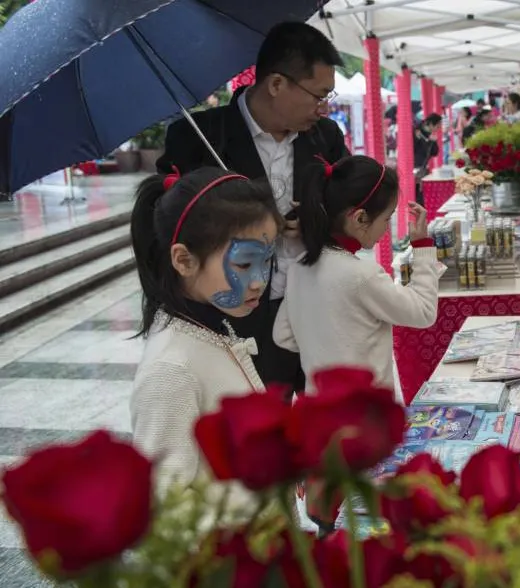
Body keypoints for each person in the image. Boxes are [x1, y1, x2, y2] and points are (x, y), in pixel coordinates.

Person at [156, 22, 349, 398]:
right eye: (318, 95)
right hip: (240, 317)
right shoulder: (198, 139)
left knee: (328, 430)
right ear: (277, 84)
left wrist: (315, 222)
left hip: (316, 309)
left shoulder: (326, 138)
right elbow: (167, 229)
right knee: (261, 433)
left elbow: (350, 212)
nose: (323, 107)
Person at [129, 167, 282, 496]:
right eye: (244, 264)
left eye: (267, 261)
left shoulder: (211, 324)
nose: (259, 281)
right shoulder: (170, 372)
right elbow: (165, 514)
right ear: (184, 260)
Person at [273, 156, 439, 396]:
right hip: (365, 413)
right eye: (387, 218)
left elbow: (283, 336)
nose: (386, 228)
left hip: (320, 413)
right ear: (360, 218)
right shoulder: (363, 275)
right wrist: (422, 247)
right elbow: (423, 312)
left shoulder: (299, 269)